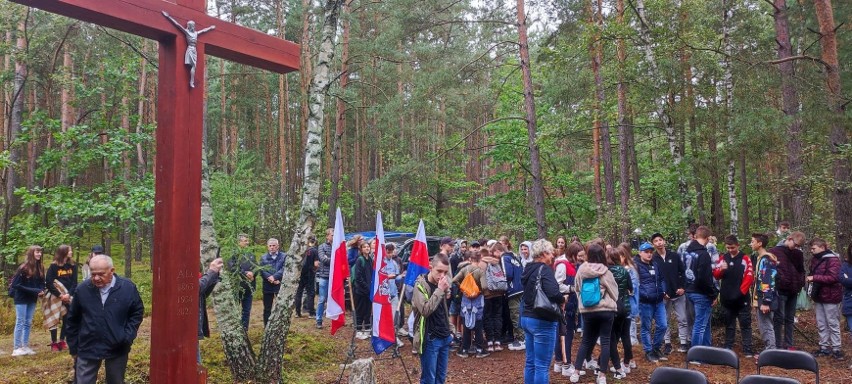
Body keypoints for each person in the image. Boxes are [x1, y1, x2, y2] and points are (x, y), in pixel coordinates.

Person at [66, 255, 144, 384]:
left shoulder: (127, 288)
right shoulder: (82, 289)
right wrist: (74, 347)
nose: (96, 278)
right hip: (88, 346)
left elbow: (136, 312)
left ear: (112, 271)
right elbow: (72, 319)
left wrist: (127, 336)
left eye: (101, 274)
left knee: (116, 381)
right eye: (93, 274)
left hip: (117, 345)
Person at [566, 243, 618, 384]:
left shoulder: (582, 270)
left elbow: (577, 288)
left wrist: (583, 303)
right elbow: (614, 291)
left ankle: (576, 372)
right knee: (605, 341)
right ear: (602, 255)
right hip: (606, 310)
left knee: (585, 341)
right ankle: (601, 376)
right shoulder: (606, 271)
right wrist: (611, 300)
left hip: (588, 311)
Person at [519, 239, 565, 384]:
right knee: (542, 366)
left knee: (531, 362)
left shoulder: (528, 268)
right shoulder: (544, 269)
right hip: (542, 320)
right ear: (544, 253)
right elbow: (553, 292)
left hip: (527, 318)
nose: (553, 256)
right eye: (551, 253)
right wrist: (563, 299)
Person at [412, 255, 452, 384]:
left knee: (441, 378)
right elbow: (425, 310)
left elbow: (443, 309)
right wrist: (440, 290)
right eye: (439, 271)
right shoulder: (420, 285)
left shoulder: (441, 284)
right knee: (429, 379)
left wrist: (450, 329)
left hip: (444, 336)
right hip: (430, 338)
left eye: (445, 272)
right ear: (431, 267)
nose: (442, 275)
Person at [713, 235, 754, 357]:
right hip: (726, 298)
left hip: (742, 298)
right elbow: (716, 275)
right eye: (728, 247)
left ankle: (747, 348)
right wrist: (721, 269)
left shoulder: (745, 258)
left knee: (745, 324)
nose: (730, 250)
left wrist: (740, 293)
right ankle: (728, 346)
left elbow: (749, 277)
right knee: (729, 324)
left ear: (738, 246)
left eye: (732, 247)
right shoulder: (723, 258)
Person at [650, 232, 687, 355]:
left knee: (682, 318)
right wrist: (662, 292)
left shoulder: (674, 256)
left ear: (664, 241)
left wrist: (682, 287)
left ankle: (683, 342)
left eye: (660, 240)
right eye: (656, 241)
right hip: (663, 296)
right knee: (664, 321)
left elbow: (683, 272)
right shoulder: (653, 259)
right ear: (653, 244)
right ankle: (667, 344)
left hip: (678, 293)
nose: (659, 243)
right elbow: (654, 278)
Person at [807, 237, 843, 359]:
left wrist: (814, 278)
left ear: (822, 247)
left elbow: (834, 278)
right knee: (821, 323)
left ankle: (837, 348)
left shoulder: (833, 260)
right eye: (811, 248)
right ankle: (824, 347)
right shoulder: (814, 260)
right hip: (819, 295)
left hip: (831, 295)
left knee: (832, 322)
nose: (812, 250)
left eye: (814, 248)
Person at [770, 231, 806, 349]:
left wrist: (800, 283)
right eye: (795, 245)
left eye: (799, 246)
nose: (796, 248)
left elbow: (801, 270)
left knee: (790, 318)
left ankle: (789, 344)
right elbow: (772, 271)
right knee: (779, 318)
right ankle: (777, 344)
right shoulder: (774, 251)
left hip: (794, 290)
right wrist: (781, 280)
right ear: (789, 239)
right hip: (781, 290)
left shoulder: (797, 254)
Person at [684, 226, 718, 347]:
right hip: (701, 293)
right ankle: (696, 356)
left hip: (689, 291)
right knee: (700, 325)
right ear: (708, 238)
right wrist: (713, 294)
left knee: (705, 323)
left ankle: (707, 349)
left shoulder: (687, 252)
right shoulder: (703, 254)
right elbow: (705, 277)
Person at [162, 11, 215, 88]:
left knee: (194, 66)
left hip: (194, 50)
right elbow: (177, 25)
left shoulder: (196, 33)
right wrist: (168, 16)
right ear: (189, 26)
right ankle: (191, 82)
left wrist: (210, 28)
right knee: (193, 65)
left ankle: (191, 81)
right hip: (190, 49)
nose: (194, 26)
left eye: (194, 25)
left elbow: (203, 31)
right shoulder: (187, 32)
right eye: (192, 25)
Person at [635, 242, 667, 362]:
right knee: (646, 327)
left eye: (650, 252)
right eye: (646, 252)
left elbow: (661, 279)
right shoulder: (636, 266)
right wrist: (644, 295)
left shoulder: (655, 264)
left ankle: (656, 348)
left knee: (663, 325)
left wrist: (663, 290)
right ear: (640, 253)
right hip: (645, 302)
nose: (649, 254)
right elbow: (635, 285)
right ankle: (648, 351)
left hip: (658, 301)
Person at [11, 245, 46, 356]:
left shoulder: (40, 267)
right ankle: (16, 348)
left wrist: (41, 290)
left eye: (40, 252)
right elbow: (16, 284)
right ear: (32, 253)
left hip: (32, 298)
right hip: (21, 298)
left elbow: (41, 282)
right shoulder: (23, 268)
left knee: (28, 322)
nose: (39, 254)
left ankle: (24, 346)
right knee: (20, 321)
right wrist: (34, 290)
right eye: (37, 252)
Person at [452, 248, 487, 358]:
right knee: (478, 324)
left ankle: (464, 349)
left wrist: (463, 289)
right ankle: (480, 349)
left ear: (470, 259)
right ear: (480, 258)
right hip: (477, 299)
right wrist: (478, 292)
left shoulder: (465, 269)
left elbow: (454, 280)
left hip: (466, 299)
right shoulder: (480, 271)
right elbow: (485, 286)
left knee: (466, 322)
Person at [604, 247, 633, 379]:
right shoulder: (625, 271)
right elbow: (630, 288)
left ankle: (617, 367)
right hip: (624, 307)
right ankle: (626, 362)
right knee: (622, 335)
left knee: (611, 338)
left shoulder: (606, 272)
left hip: (611, 307)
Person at [553, 241, 580, 377]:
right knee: (565, 334)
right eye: (578, 256)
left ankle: (559, 362)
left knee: (563, 333)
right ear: (572, 254)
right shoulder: (563, 265)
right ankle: (566, 364)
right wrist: (572, 289)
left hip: (570, 304)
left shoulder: (570, 264)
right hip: (564, 304)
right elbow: (557, 285)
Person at [45, 245, 78, 352]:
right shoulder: (53, 266)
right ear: (63, 252)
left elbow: (74, 282)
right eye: (69, 251)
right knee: (54, 318)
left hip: (68, 296)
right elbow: (49, 283)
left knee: (67, 317)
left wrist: (68, 294)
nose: (71, 252)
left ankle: (62, 340)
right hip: (56, 296)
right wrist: (60, 295)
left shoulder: (72, 265)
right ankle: (54, 342)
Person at [751, 233, 778, 353]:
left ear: (759, 243)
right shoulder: (760, 258)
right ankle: (769, 349)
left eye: (753, 241)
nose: (751, 244)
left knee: (766, 326)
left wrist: (766, 301)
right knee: (763, 326)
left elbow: (768, 280)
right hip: (760, 298)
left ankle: (771, 351)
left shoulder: (766, 259)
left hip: (765, 299)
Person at [502, 239, 526, 351]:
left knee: (515, 314)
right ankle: (524, 337)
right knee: (521, 312)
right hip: (521, 287)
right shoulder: (514, 256)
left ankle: (521, 339)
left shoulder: (505, 257)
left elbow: (508, 274)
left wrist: (504, 284)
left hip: (513, 290)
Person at [229, 234, 256, 330]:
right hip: (238, 287)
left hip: (249, 287)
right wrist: (245, 273)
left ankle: (244, 329)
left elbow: (256, 267)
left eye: (247, 241)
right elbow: (232, 268)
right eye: (245, 241)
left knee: (246, 310)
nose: (247, 243)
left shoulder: (251, 254)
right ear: (239, 242)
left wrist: (253, 273)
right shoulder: (233, 254)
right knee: (235, 309)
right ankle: (234, 329)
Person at [198, 257, 223, 362]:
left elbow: (202, 293)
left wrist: (214, 274)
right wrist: (212, 272)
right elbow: (196, 288)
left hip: (192, 326)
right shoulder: (178, 266)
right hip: (185, 327)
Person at [483, 242, 506, 351]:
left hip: (488, 294)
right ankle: (498, 340)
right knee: (497, 316)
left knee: (488, 317)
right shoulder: (502, 261)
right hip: (499, 292)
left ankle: (489, 341)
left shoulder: (484, 261)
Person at [259, 238, 286, 327]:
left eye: (274, 245)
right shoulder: (263, 257)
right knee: (267, 308)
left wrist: (275, 277)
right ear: (267, 247)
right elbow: (262, 271)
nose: (272, 247)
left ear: (278, 246)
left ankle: (280, 326)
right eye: (270, 246)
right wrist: (270, 278)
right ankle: (266, 327)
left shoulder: (284, 256)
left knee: (281, 307)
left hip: (280, 284)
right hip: (267, 285)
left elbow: (284, 268)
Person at [353, 241, 374, 339]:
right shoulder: (359, 260)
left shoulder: (370, 259)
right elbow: (358, 277)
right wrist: (366, 287)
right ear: (361, 249)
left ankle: (367, 329)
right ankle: (358, 329)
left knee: (368, 310)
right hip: (360, 291)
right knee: (360, 310)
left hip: (368, 291)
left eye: (368, 247)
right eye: (364, 247)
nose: (367, 248)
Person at [294, 237, 318, 319]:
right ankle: (311, 313)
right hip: (310, 274)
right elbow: (316, 264)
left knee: (299, 292)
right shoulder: (314, 250)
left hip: (299, 274)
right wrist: (315, 269)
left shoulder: (299, 250)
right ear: (314, 241)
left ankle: (297, 312)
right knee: (310, 293)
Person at [316, 228, 333, 329]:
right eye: (332, 235)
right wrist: (335, 259)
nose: (333, 237)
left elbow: (343, 259)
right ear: (327, 236)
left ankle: (337, 320)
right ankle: (319, 320)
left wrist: (330, 258)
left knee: (336, 299)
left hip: (335, 277)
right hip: (324, 276)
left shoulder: (338, 247)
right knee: (322, 299)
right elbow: (323, 259)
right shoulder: (322, 247)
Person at [840, 244, 852, 367]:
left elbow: (848, 280)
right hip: (850, 302)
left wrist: (849, 279)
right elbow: (843, 280)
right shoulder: (845, 265)